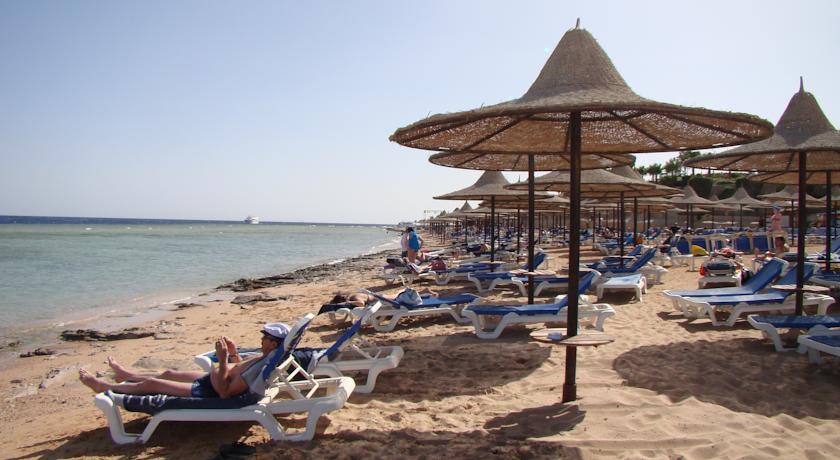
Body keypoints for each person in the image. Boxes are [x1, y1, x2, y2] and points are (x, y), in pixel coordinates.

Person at [78, 323, 289, 399]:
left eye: (265, 337)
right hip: (211, 379)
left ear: (272, 343)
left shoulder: (261, 365)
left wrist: (223, 359)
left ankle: (105, 387)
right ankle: (127, 375)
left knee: (151, 384)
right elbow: (238, 368)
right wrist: (233, 354)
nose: (261, 339)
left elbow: (225, 392)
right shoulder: (266, 357)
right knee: (168, 374)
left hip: (210, 390)